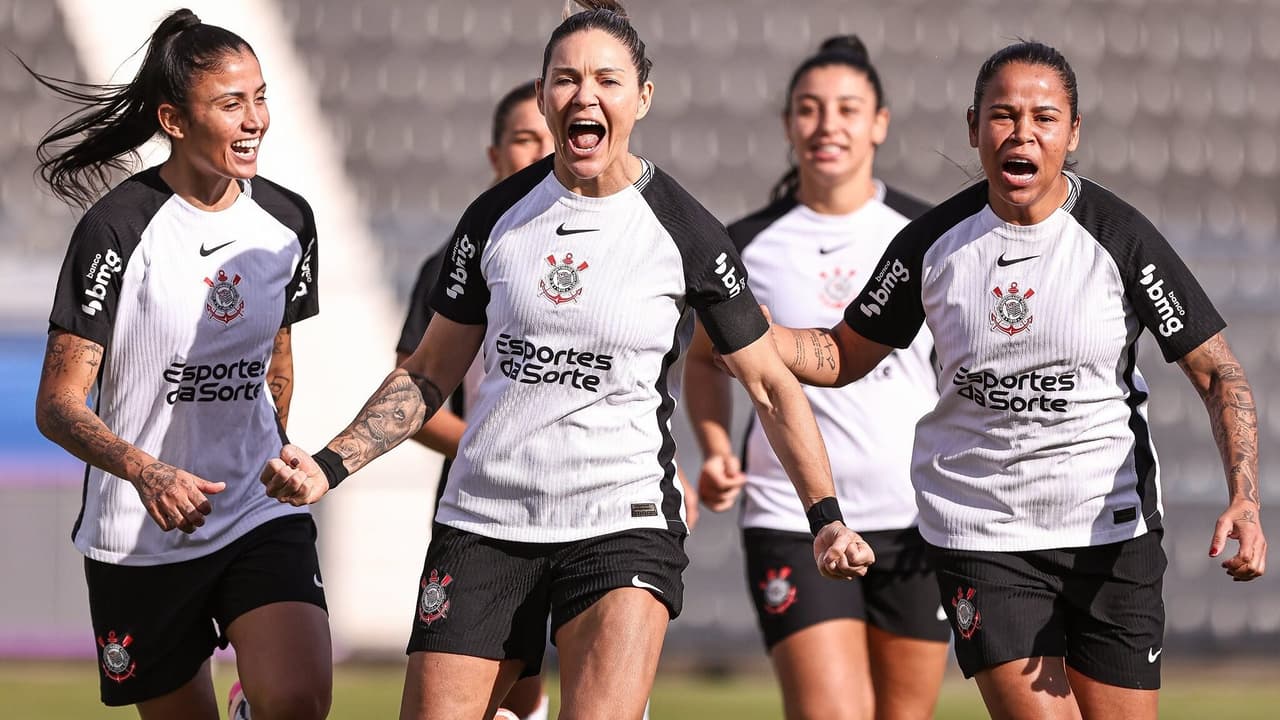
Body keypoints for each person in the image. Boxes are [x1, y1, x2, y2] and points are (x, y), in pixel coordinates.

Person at [260, 2, 872, 719]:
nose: (585, 95)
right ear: (545, 93)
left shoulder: (686, 230)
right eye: (566, 79)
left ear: (642, 97)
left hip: (621, 523)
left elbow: (769, 384)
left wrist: (825, 515)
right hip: (486, 521)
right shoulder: (493, 219)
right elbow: (428, 372)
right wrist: (329, 466)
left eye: (607, 80)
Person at [757, 40, 1267, 720]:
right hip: (983, 535)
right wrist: (756, 332)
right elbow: (842, 355)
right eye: (1002, 115)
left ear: (1072, 132)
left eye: (1045, 117)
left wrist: (1245, 496)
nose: (1022, 132)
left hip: (1108, 533)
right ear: (974, 128)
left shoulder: (1119, 237)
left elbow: (1217, 372)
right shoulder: (932, 244)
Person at [30, 9, 330, 720]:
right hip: (140, 532)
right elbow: (57, 404)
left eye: (260, 96)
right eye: (232, 104)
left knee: (297, 700)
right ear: (173, 118)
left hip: (254, 510)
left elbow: (277, 359)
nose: (255, 118)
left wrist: (274, 444)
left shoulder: (289, 222)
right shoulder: (115, 230)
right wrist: (148, 471)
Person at [685, 36, 949, 720]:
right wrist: (715, 445)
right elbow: (703, 360)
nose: (828, 125)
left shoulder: (928, 234)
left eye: (847, 109)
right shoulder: (741, 245)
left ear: (880, 124)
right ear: (787, 125)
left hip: (918, 517)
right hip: (790, 516)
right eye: (809, 109)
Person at [395, 79, 555, 720]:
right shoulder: (454, 261)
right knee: (492, 688)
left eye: (550, 137)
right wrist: (489, 443)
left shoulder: (618, 243)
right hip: (481, 496)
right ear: (495, 156)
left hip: (588, 496)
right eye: (524, 139)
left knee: (540, 677)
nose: (541, 152)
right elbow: (413, 389)